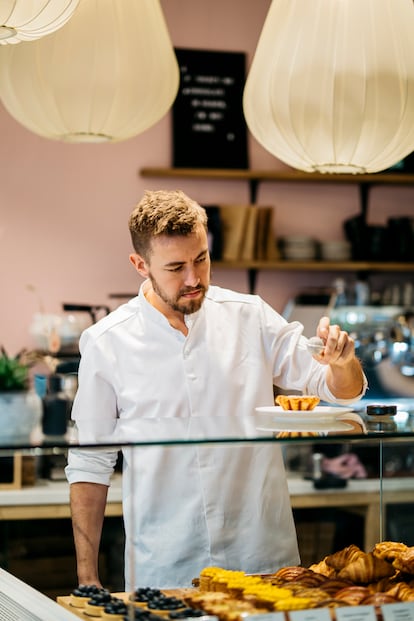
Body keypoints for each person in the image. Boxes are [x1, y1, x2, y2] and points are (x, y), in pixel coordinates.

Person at [65, 189, 367, 590]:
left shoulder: (251, 315)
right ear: (140, 265)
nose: (194, 279)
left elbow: (339, 392)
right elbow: (89, 465)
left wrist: (343, 362)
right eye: (175, 267)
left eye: (201, 260)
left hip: (263, 557)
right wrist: (88, 578)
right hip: (167, 566)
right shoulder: (107, 342)